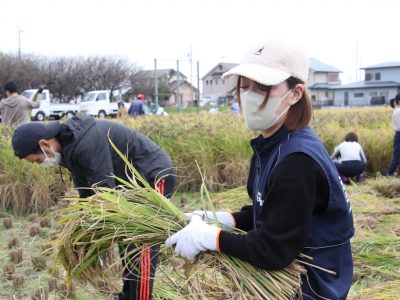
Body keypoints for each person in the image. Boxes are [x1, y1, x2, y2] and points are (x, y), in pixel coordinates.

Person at [165, 40, 354, 299]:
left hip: (310, 286)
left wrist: (210, 238)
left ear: (296, 93)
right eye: (245, 85)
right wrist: (227, 219)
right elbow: (277, 210)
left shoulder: (297, 160)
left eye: (264, 86)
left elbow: (272, 249)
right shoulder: (272, 144)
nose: (250, 95)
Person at [11, 115, 176, 300]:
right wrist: (83, 232)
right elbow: (87, 194)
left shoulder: (86, 142)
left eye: (37, 160)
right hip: (129, 186)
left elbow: (104, 192)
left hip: (153, 176)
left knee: (142, 243)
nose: (40, 164)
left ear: (44, 144)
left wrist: (96, 236)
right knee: (126, 238)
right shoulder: (69, 148)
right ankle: (128, 295)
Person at [387, 94, 400, 176]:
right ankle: (389, 174)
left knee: (397, 157)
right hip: (399, 134)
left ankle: (389, 174)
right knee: (397, 157)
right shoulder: (398, 111)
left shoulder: (397, 110)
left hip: (398, 135)